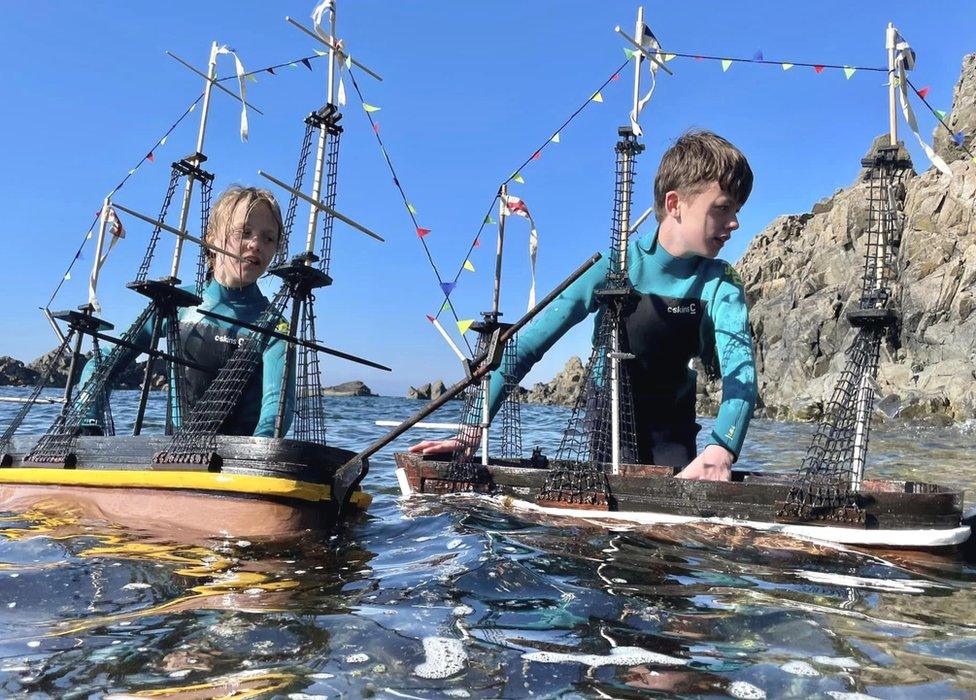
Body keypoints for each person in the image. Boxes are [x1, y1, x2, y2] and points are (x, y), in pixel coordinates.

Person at [410, 130, 757, 481]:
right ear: (674, 204)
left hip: (672, 419)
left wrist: (721, 449)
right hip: (609, 413)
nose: (734, 223)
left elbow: (740, 371)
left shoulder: (721, 282)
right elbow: (526, 346)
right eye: (723, 207)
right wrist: (472, 431)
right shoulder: (615, 266)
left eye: (737, 210)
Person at [78, 185, 294, 437]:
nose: (256, 244)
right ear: (212, 239)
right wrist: (88, 418)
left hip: (238, 466)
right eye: (244, 232)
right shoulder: (176, 303)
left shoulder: (274, 326)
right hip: (174, 461)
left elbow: (277, 405)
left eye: (269, 238)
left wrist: (259, 451)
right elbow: (103, 361)